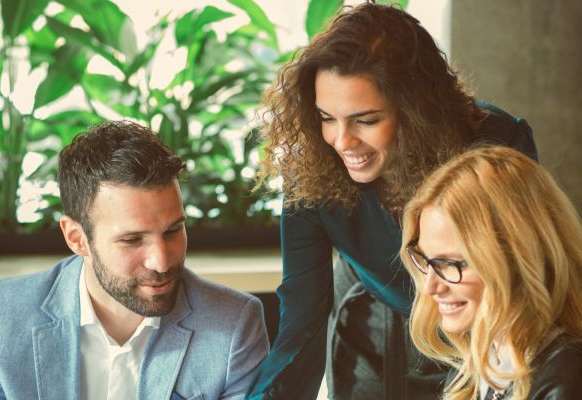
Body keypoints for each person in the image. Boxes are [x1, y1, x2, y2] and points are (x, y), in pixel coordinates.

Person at [247, 3, 538, 400]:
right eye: (326, 117)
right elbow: (301, 327)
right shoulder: (309, 173)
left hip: (488, 330)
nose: (342, 142)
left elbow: (527, 286)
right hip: (376, 326)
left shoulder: (496, 142)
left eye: (365, 120)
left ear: (416, 110)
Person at [0, 121, 269, 400]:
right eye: (132, 240)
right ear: (77, 238)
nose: (161, 262)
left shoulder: (234, 324)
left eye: (172, 231)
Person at [400, 146, 582, 400]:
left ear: (517, 259)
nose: (430, 287)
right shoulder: (476, 369)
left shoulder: (566, 383)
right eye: (426, 261)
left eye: (450, 263)